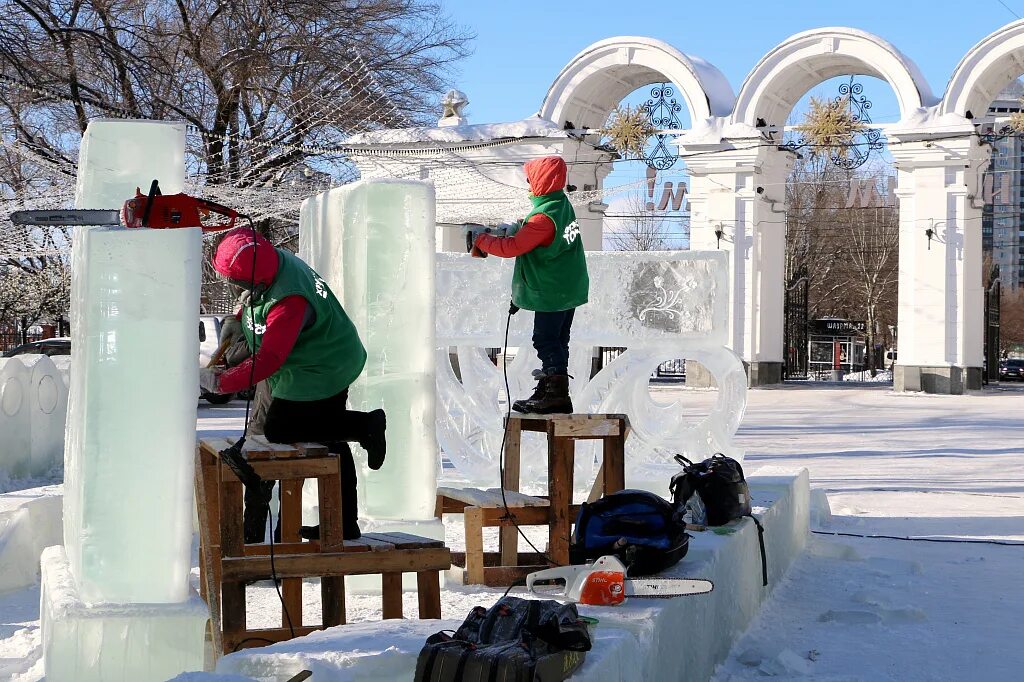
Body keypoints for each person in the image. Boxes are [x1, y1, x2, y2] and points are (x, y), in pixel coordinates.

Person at [200, 227, 385, 541]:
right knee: (326, 433)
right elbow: (254, 302)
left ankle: (366, 425)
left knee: (282, 429)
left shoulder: (291, 300)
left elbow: (270, 356)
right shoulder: (271, 262)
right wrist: (239, 317)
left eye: (237, 282)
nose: (232, 287)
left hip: (324, 364)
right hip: (317, 357)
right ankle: (343, 522)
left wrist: (222, 383)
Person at [471, 155, 589, 414]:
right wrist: (518, 226)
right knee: (558, 341)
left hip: (553, 290)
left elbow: (514, 247)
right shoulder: (560, 205)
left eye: (530, 180)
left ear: (541, 181)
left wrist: (482, 240)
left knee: (545, 339)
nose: (528, 185)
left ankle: (555, 393)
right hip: (568, 287)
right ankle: (552, 392)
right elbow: (532, 236)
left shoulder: (544, 217)